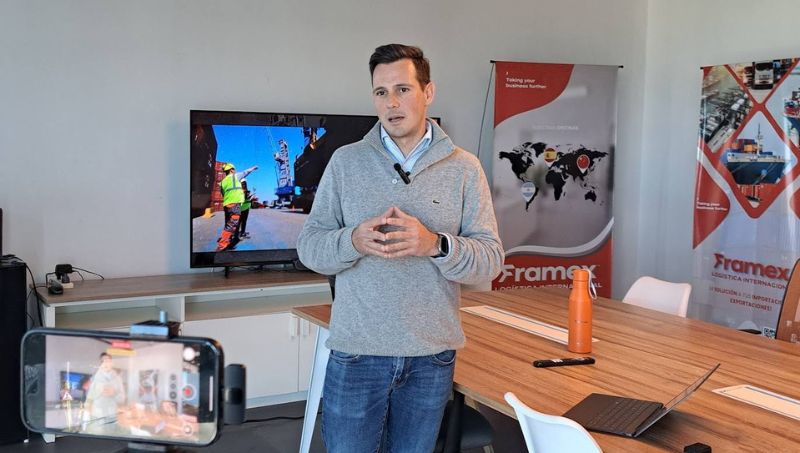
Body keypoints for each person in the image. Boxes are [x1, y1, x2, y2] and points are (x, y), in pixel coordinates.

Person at [297, 44, 504, 452]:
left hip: (431, 358)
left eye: (403, 89)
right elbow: (310, 247)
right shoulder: (345, 162)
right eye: (381, 92)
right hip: (357, 354)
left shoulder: (464, 168)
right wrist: (353, 240)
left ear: (428, 92)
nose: (391, 103)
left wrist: (435, 245)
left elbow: (490, 261)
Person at [215, 163, 257, 251]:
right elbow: (245, 172)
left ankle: (228, 240)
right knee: (232, 225)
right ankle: (222, 245)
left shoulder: (223, 181)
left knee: (228, 223)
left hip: (227, 205)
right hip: (234, 204)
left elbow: (223, 194)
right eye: (234, 169)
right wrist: (253, 168)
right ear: (231, 170)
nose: (235, 171)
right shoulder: (235, 176)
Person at [85, 353, 126, 422]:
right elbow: (88, 396)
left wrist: (114, 393)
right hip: (96, 415)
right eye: (103, 361)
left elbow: (122, 399)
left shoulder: (118, 379)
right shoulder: (94, 378)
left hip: (112, 415)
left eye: (107, 361)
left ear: (111, 363)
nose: (105, 363)